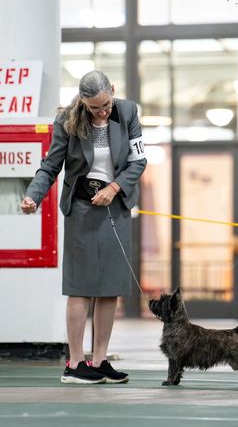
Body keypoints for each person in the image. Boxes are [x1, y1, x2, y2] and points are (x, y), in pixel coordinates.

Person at [21, 70, 147, 384]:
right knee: (80, 287)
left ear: (113, 92)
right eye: (94, 108)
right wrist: (33, 197)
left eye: (105, 105)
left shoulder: (128, 111)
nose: (101, 112)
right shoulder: (66, 121)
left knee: (109, 288)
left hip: (116, 207)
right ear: (82, 102)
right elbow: (50, 166)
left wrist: (115, 188)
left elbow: (138, 161)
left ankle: (100, 360)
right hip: (81, 210)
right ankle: (75, 364)